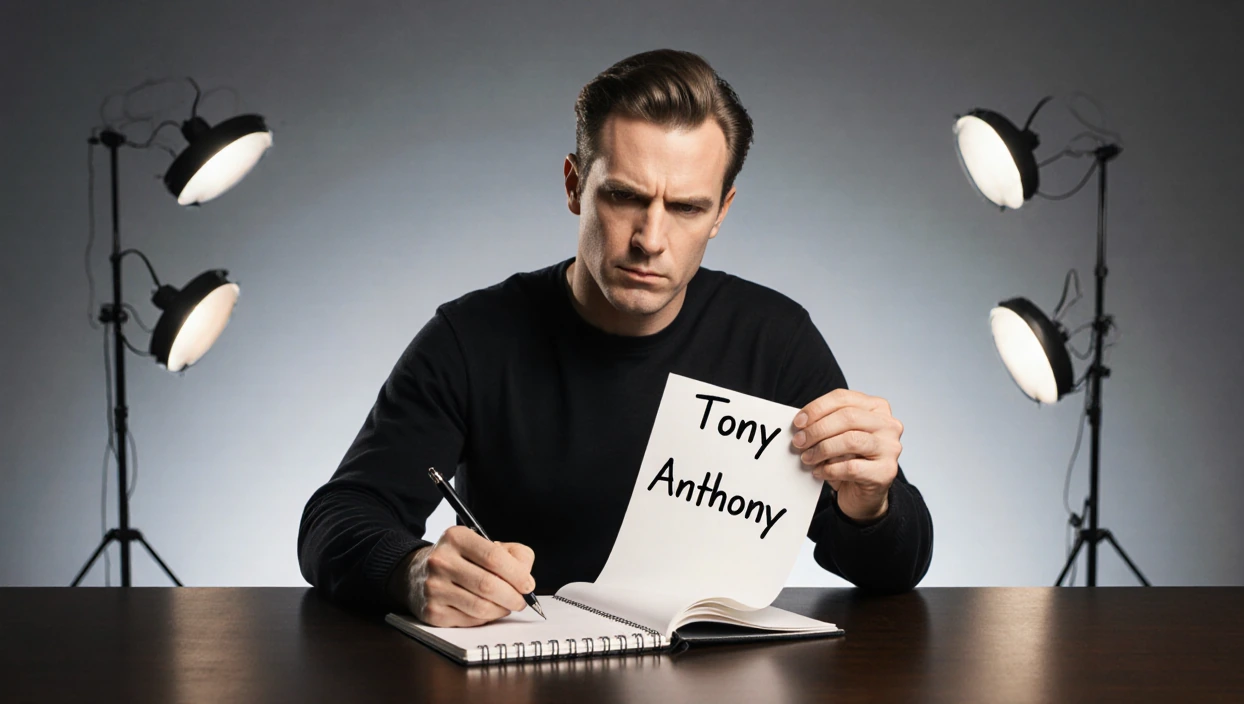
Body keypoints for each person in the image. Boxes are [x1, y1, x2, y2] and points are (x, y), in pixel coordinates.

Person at [298, 48, 933, 627]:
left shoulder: (775, 338)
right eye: (624, 196)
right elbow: (336, 519)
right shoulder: (471, 337)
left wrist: (871, 501)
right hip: (527, 673)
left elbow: (894, 570)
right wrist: (408, 571)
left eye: (686, 207)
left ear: (722, 212)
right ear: (575, 185)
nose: (650, 239)